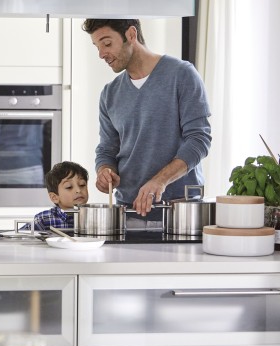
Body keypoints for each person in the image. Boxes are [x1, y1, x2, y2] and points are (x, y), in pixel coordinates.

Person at [81, 19, 211, 227]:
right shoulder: (110, 93)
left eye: (107, 44)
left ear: (131, 35)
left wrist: (159, 181)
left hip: (179, 213)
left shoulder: (182, 75)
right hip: (128, 213)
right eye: (97, 47)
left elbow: (199, 140)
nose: (101, 54)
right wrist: (104, 171)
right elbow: (107, 149)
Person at [28, 161, 89, 231]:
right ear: (54, 197)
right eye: (69, 187)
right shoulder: (43, 220)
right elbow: (20, 236)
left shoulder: (94, 218)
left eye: (82, 185)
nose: (78, 190)